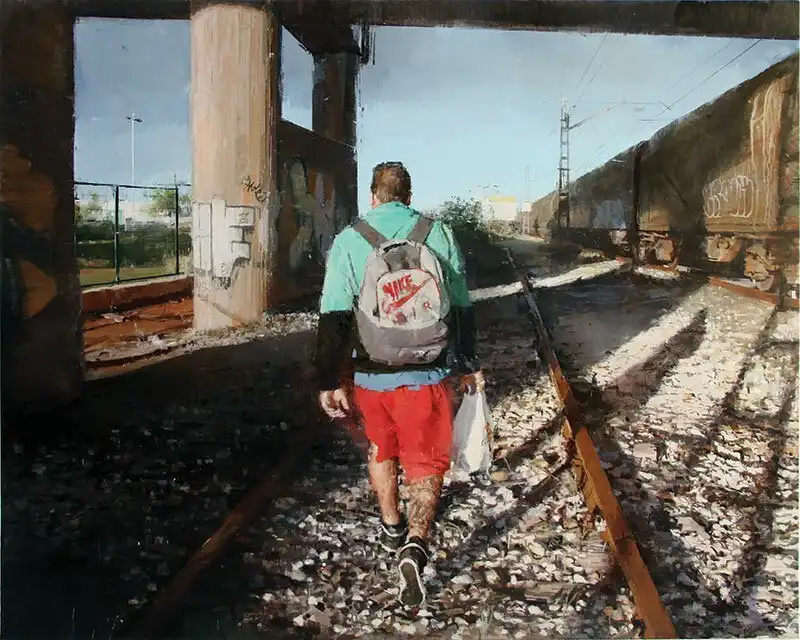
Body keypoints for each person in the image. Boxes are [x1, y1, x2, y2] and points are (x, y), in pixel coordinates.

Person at [314, 161, 484, 607]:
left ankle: (391, 525)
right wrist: (467, 364)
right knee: (425, 462)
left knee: (380, 448)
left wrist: (329, 378)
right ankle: (415, 543)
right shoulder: (437, 233)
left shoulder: (350, 239)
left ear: (373, 197)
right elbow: (462, 306)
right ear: (409, 197)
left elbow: (334, 317)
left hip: (371, 375)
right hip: (427, 374)